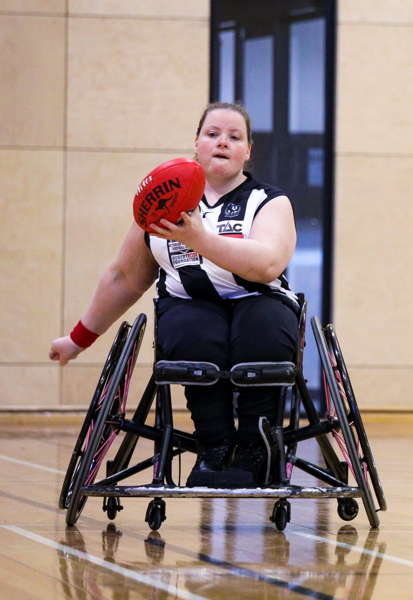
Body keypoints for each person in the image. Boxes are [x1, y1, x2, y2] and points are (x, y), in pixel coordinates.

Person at [50, 102, 298, 489]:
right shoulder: (161, 202)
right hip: (188, 303)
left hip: (260, 300)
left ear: (248, 151)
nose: (222, 142)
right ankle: (214, 447)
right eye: (213, 134)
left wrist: (200, 240)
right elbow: (124, 279)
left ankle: (256, 446)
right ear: (196, 143)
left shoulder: (269, 200)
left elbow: (267, 265)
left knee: (261, 328)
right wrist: (78, 338)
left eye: (235, 137)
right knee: (190, 330)